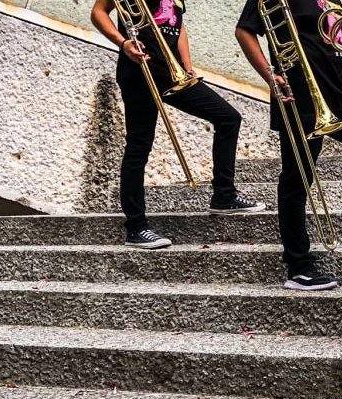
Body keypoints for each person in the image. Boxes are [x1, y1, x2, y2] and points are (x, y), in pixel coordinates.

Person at [235, 0, 342, 290]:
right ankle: (298, 266)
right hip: (299, 98)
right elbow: (244, 31)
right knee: (297, 178)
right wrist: (269, 76)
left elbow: (340, 44)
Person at [91, 0, 265, 250]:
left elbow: (178, 26)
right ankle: (136, 228)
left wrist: (187, 66)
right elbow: (98, 12)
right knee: (139, 146)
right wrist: (123, 43)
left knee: (228, 118)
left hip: (171, 72)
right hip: (140, 70)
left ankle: (224, 196)